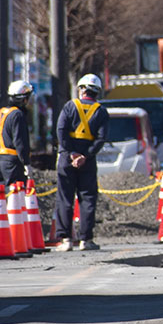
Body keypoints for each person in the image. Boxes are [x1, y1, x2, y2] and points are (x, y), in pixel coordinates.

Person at [53, 74, 110, 251]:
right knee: (87, 198)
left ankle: (66, 240)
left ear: (81, 89)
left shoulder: (70, 106)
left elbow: (60, 131)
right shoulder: (101, 111)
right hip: (88, 161)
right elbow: (101, 138)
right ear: (97, 92)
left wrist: (71, 154)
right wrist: (85, 156)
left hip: (66, 159)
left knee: (65, 198)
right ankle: (86, 240)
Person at [0, 80, 34, 185]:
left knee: (3, 196)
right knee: (16, 196)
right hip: (13, 163)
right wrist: (26, 163)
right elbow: (20, 141)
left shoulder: (1, 113)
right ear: (23, 99)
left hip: (0, 161)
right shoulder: (18, 115)